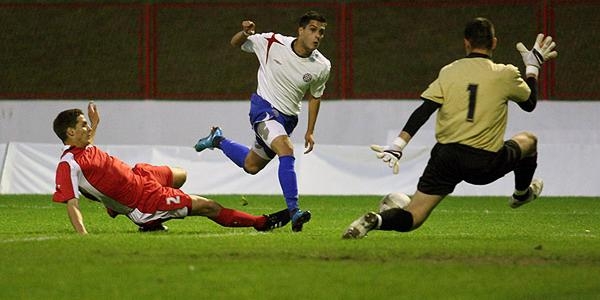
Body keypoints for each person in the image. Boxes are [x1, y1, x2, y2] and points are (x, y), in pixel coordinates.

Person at [343, 17, 558, 239]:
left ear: (466, 43)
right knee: (529, 141)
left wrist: (398, 145)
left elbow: (424, 110)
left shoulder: (449, 72)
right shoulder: (505, 73)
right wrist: (532, 67)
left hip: (446, 157)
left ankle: (376, 220)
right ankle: (521, 194)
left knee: (414, 216)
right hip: (484, 161)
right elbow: (530, 104)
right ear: (494, 42)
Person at [52, 102, 290, 234]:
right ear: (70, 133)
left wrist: (95, 123)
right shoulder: (68, 164)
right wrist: (83, 236)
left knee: (180, 174)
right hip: (144, 201)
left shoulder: (83, 147)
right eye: (83, 126)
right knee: (208, 206)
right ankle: (261, 222)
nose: (87, 129)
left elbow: (88, 142)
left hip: (139, 175)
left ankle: (119, 209)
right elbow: (72, 204)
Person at [194, 11, 331, 232]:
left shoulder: (322, 66)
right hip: (263, 111)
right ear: (301, 30)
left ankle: (217, 140)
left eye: (322, 33)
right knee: (286, 149)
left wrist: (310, 131)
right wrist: (244, 32)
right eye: (313, 30)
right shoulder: (272, 42)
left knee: (251, 165)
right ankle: (294, 211)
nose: (317, 36)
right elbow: (236, 43)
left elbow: (315, 97)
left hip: (287, 120)